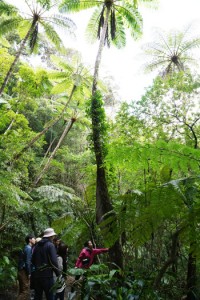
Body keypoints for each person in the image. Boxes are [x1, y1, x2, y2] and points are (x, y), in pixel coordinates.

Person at [31, 228, 60, 300]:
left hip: (37, 276)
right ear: (51, 236)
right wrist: (58, 274)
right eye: (53, 236)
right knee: (50, 297)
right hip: (47, 276)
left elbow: (33, 260)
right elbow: (54, 261)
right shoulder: (50, 245)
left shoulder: (37, 246)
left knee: (37, 296)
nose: (53, 238)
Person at [17, 234, 35, 300]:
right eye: (34, 238)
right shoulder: (28, 248)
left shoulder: (26, 247)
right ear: (30, 240)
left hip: (21, 270)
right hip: (24, 271)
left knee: (22, 291)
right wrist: (29, 273)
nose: (35, 239)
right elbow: (28, 262)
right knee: (25, 291)